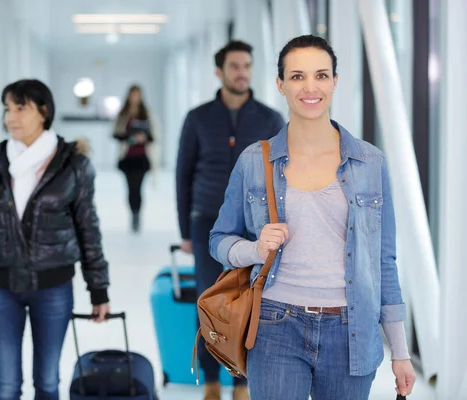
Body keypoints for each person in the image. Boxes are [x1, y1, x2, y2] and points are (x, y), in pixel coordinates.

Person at [208, 35, 416, 399]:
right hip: (275, 324)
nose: (310, 87)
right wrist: (256, 249)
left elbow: (383, 261)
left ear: (335, 81)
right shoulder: (254, 161)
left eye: (321, 75)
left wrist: (400, 352)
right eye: (297, 76)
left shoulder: (370, 163)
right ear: (280, 85)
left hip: (351, 332)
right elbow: (219, 240)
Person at [0, 79, 111, 400]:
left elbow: (88, 230)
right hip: (1, 288)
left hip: (53, 288)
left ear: (44, 112)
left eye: (20, 108)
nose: (11, 117)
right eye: (7, 109)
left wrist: (98, 288)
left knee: (47, 382)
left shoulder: (72, 164)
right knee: (6, 385)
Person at [176, 40, 285, 400]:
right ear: (219, 72)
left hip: (256, 224)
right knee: (210, 301)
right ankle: (210, 381)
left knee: (251, 302)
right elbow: (183, 173)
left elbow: (285, 172)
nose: (242, 73)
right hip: (207, 219)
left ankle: (241, 383)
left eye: (247, 66)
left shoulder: (270, 118)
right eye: (235, 66)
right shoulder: (198, 117)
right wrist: (184, 231)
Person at [112, 84, 155, 233]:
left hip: (142, 157)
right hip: (128, 157)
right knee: (130, 188)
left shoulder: (146, 113)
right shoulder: (123, 114)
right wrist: (130, 138)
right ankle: (133, 214)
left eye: (138, 95)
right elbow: (115, 133)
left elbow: (153, 135)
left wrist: (144, 137)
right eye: (133, 94)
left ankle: (137, 215)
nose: (135, 98)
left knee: (138, 188)